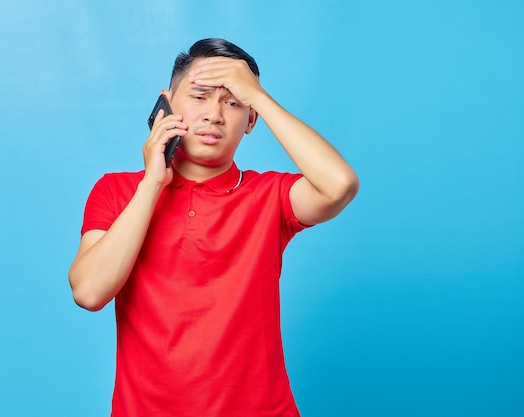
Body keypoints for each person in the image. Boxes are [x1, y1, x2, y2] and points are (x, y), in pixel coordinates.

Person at [69, 38, 359, 417]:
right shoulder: (118, 191)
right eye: (200, 96)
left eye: (234, 102)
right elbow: (90, 291)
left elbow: (340, 184)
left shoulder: (269, 196)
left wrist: (260, 97)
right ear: (165, 105)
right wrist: (153, 183)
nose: (214, 115)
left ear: (252, 119)